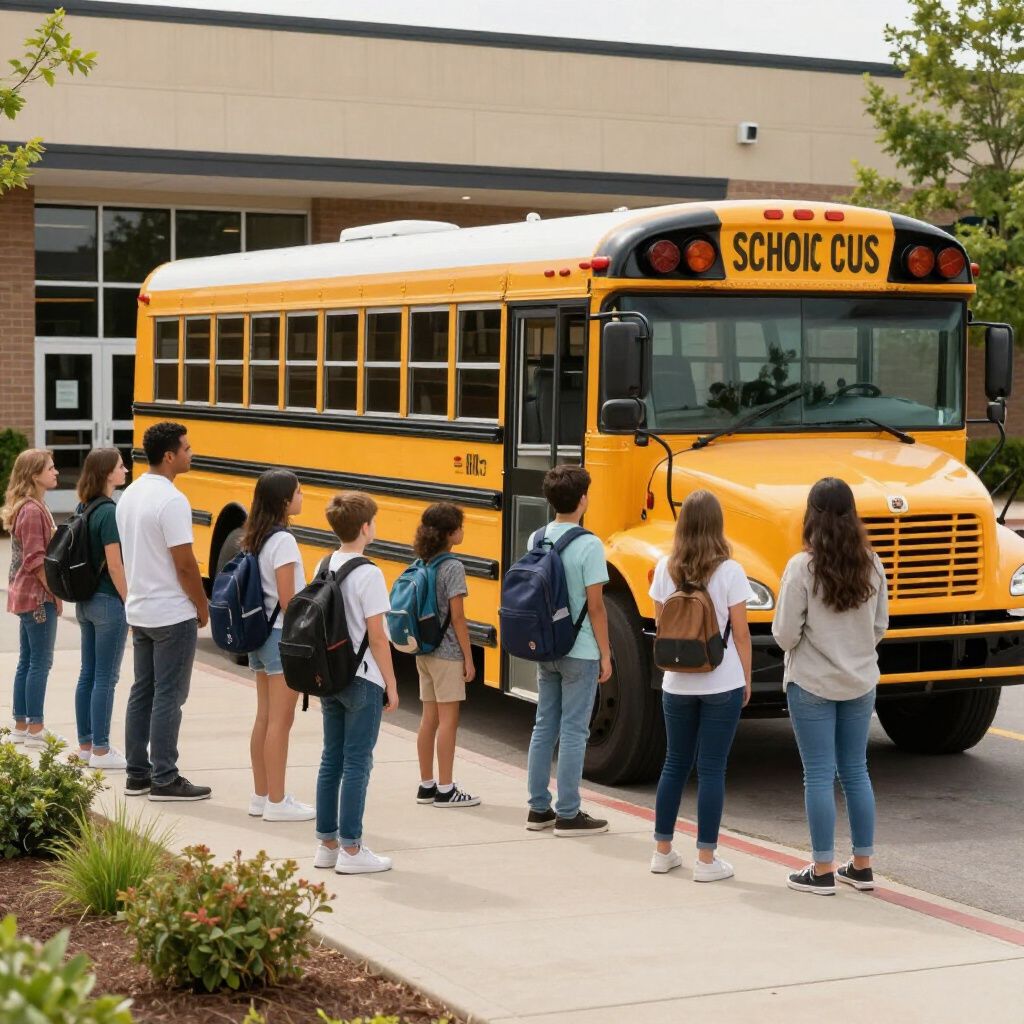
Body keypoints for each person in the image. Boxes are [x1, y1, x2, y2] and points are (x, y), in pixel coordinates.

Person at [773, 477, 888, 895]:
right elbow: (880, 625)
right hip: (860, 680)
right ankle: (862, 866)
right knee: (856, 770)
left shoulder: (801, 567)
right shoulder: (872, 563)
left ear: (811, 516)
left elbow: (785, 634)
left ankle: (822, 870)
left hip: (812, 682)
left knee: (818, 775)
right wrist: (853, 650)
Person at [647, 489, 754, 881]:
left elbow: (663, 627)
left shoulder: (665, 568)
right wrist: (745, 678)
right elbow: (740, 634)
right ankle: (706, 860)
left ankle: (662, 851)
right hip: (720, 681)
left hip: (676, 682)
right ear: (717, 525)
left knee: (674, 763)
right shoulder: (730, 571)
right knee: (712, 769)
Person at [116, 422, 211, 802]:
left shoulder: (131, 494)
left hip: (140, 610)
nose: (191, 453)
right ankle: (165, 778)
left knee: (143, 691)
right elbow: (185, 565)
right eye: (187, 449)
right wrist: (202, 606)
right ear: (169, 456)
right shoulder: (172, 500)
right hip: (171, 613)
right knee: (169, 696)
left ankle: (137, 774)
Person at [314, 491, 400, 874]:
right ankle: (352, 849)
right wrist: (392, 684)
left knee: (331, 759)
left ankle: (327, 845)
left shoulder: (324, 563)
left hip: (330, 677)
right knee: (357, 764)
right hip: (363, 678)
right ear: (365, 528)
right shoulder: (370, 573)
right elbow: (378, 638)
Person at [525, 464, 612, 837]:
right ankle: (569, 813)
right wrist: (606, 654)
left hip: (548, 646)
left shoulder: (537, 538)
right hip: (580, 650)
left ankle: (538, 808)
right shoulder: (590, 545)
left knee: (544, 724)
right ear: (583, 500)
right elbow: (596, 606)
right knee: (575, 730)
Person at [242, 469, 313, 822]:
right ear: (285, 501)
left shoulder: (257, 535)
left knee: (265, 717)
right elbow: (289, 599)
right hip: (280, 636)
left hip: (259, 634)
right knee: (280, 723)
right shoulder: (283, 541)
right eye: (299, 492)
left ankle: (261, 796)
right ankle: (277, 800)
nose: (303, 497)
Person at [412, 502, 479, 808]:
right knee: (448, 722)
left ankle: (427, 785)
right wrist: (469, 657)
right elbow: (458, 618)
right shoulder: (452, 566)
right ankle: (446, 788)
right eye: (461, 527)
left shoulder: (423, 561)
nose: (464, 531)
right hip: (448, 652)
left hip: (424, 651)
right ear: (451, 534)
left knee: (429, 719)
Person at [72, 448, 130, 769]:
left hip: (85, 602)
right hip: (108, 602)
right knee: (106, 678)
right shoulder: (109, 511)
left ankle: (86, 745)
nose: (125, 469)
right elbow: (115, 565)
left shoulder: (84, 506)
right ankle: (103, 751)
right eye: (121, 466)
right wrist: (129, 600)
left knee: (88, 674)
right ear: (108, 473)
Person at [3, 449, 61, 747]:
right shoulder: (32, 511)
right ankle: (35, 728)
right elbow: (35, 560)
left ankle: (22, 725)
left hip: (26, 596)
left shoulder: (31, 507)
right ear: (34, 474)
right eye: (50, 468)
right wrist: (54, 592)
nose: (56, 472)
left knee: (28, 660)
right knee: (39, 661)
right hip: (37, 598)